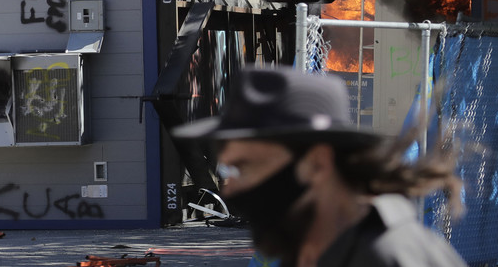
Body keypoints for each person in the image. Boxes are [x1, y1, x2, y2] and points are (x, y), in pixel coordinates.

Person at [172, 67, 466, 267]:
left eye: (244, 166)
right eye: (227, 170)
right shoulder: (309, 248)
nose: (230, 186)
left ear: (317, 163)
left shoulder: (390, 256)